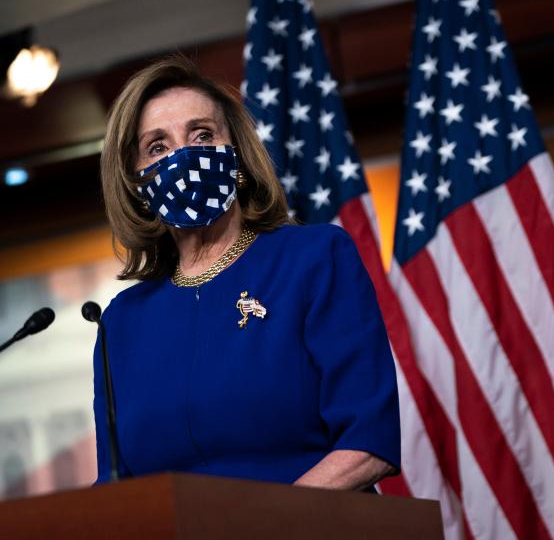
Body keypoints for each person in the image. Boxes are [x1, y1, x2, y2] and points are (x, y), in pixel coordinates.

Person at [93, 55, 400, 490]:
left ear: (236, 154)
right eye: (157, 147)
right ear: (137, 182)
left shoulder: (313, 259)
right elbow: (116, 486)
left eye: (202, 135)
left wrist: (267, 526)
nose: (183, 156)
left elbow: (368, 443)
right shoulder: (121, 322)